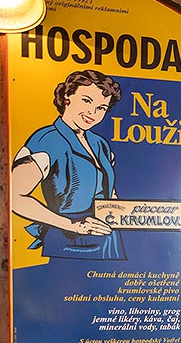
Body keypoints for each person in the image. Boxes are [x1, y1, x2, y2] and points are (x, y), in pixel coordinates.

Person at [11, 69, 125, 260]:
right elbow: (14, 196)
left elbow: (108, 192)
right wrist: (73, 225)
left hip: (108, 239)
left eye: (101, 108)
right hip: (68, 240)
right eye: (86, 101)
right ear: (67, 97)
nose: (92, 113)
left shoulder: (100, 144)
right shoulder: (46, 140)